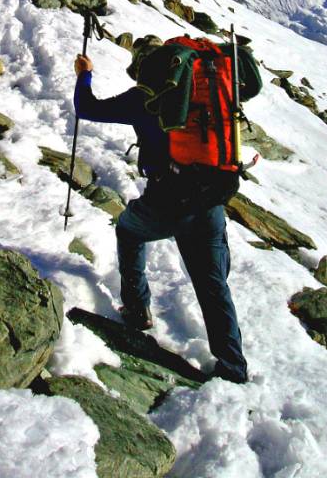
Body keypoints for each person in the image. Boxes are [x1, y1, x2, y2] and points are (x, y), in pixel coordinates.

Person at [73, 36, 248, 384]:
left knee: (128, 229)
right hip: (211, 195)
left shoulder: (144, 98)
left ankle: (137, 309)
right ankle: (233, 367)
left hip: (167, 197)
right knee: (212, 284)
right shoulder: (201, 96)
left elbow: (87, 109)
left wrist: (84, 75)